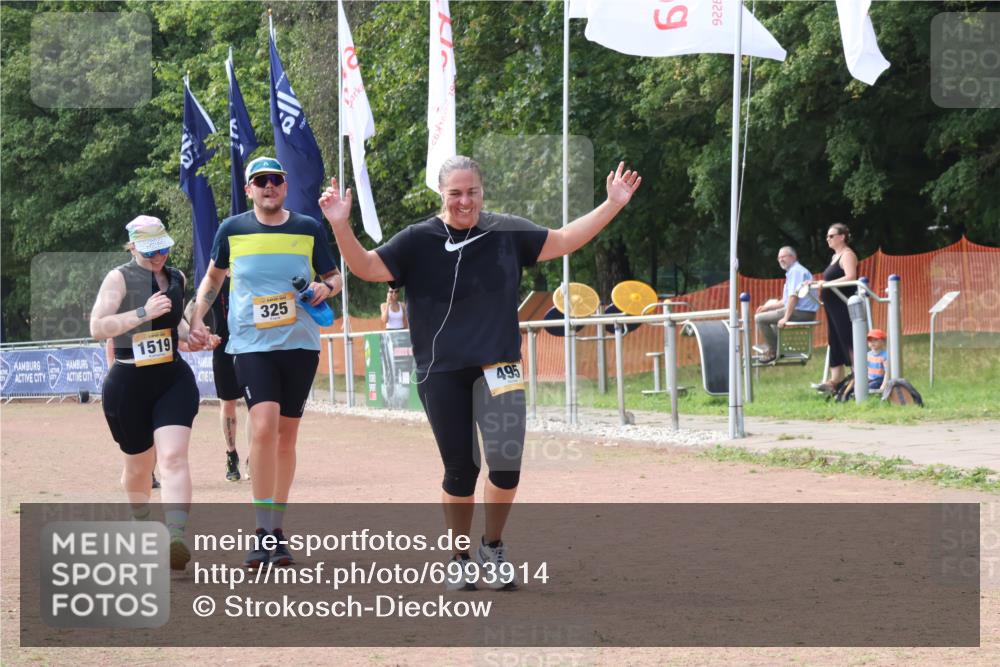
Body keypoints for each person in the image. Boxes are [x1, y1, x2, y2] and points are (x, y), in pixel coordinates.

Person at [319, 156, 641, 590]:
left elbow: (563, 239)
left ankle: (493, 545)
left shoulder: (506, 231)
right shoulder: (417, 239)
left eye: (472, 192)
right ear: (441, 194)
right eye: (455, 193)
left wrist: (612, 204)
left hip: (500, 365)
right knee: (461, 470)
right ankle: (458, 556)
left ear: (482, 192)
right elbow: (367, 268)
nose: (464, 201)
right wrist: (341, 225)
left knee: (506, 466)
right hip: (442, 370)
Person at [188, 156, 342, 569]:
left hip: (300, 344)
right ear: (249, 189)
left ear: (285, 187)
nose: (268, 186)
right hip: (251, 344)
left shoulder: (307, 227)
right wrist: (196, 315)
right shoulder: (232, 229)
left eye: (275, 180)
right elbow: (214, 278)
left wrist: (324, 289)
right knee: (263, 425)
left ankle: (277, 528)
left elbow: (335, 276)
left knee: (287, 438)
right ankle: (261, 531)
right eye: (260, 181)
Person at [89, 216, 212, 571]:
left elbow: (178, 326)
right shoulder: (118, 278)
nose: (159, 255)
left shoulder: (177, 278)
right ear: (133, 247)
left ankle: (176, 537)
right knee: (139, 469)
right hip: (128, 384)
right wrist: (142, 312)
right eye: (150, 250)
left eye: (163, 248)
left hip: (172, 379)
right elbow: (98, 326)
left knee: (173, 457)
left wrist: (195, 336)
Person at [208, 274, 251, 481]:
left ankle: (254, 457)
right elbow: (192, 308)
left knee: (257, 405)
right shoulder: (216, 281)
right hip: (223, 350)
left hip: (253, 347)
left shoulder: (252, 276)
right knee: (228, 405)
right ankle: (231, 454)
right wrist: (200, 330)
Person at [753, 246, 820, 362]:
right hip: (800, 311)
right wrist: (767, 307)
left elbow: (793, 297)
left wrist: (785, 317)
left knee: (759, 319)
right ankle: (778, 347)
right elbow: (785, 301)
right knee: (768, 316)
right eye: (779, 258)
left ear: (793, 257)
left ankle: (773, 351)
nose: (780, 260)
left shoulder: (796, 271)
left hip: (802, 312)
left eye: (783, 256)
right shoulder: (793, 272)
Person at [813, 222, 858, 392]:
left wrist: (827, 284)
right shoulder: (834, 257)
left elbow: (850, 276)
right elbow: (829, 281)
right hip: (832, 305)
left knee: (847, 337)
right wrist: (819, 284)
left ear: (842, 237)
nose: (828, 239)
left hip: (843, 304)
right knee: (835, 340)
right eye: (826, 236)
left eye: (831, 236)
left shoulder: (847, 255)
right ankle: (835, 380)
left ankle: (857, 374)